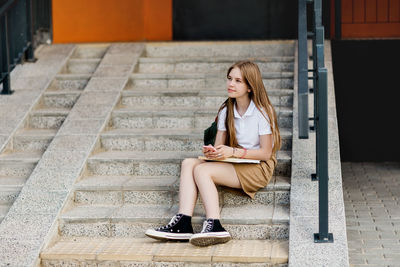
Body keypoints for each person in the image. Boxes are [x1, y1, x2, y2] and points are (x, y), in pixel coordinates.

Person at [145, 61, 281, 247]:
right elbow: (218, 147)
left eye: (238, 81)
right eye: (229, 79)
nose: (231, 84)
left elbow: (266, 153)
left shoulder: (262, 112)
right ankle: (183, 222)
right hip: (237, 162)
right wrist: (213, 152)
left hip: (258, 167)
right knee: (188, 163)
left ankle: (215, 224)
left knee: (202, 172)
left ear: (250, 86)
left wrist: (233, 151)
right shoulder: (227, 110)